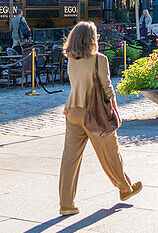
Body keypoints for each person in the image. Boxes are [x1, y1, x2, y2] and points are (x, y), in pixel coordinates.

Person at [59, 20, 141, 216]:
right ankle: (124, 188)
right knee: (110, 153)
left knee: (70, 159)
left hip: (72, 111)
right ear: (91, 39)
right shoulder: (99, 59)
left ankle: (66, 204)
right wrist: (115, 109)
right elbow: (107, 88)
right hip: (94, 113)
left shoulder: (71, 59)